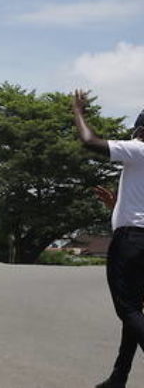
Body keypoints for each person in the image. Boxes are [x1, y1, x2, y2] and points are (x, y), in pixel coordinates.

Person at [72, 91, 144, 388]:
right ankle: (118, 378)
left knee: (126, 309)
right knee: (135, 310)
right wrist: (116, 203)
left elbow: (89, 141)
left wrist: (77, 111)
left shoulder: (139, 149)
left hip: (132, 242)